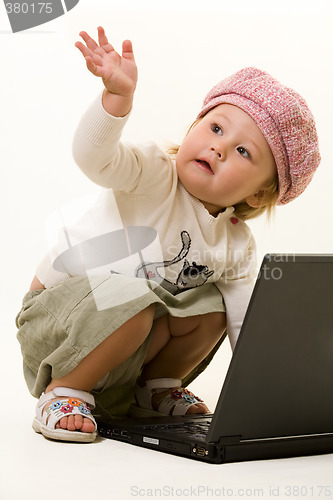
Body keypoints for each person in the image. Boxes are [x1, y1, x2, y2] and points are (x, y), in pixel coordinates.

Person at [16, 26, 320, 443]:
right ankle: (63, 391)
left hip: (127, 351)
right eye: (215, 128)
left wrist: (272, 390)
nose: (219, 148)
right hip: (56, 325)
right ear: (196, 122)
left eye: (243, 151)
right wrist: (116, 101)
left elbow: (243, 321)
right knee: (136, 302)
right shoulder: (152, 173)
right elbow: (93, 158)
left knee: (215, 306)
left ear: (262, 190)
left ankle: (153, 389)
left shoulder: (234, 243)